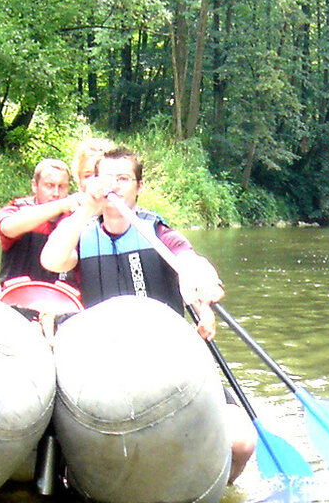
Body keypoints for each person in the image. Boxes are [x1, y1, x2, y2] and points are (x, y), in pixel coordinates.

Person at [39, 146, 253, 483]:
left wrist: (201, 291)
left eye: (123, 178)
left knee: (241, 442)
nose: (114, 186)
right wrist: (86, 209)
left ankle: (212, 487)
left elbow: (190, 265)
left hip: (165, 364)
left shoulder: (159, 234)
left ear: (138, 186)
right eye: (106, 178)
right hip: (102, 368)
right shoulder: (82, 234)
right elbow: (51, 261)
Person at [0, 159, 79, 282]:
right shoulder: (16, 209)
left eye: (62, 187)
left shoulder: (76, 217)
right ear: (34, 185)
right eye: (49, 186)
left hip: (61, 296)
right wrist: (60, 205)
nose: (56, 193)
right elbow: (7, 228)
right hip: (18, 294)